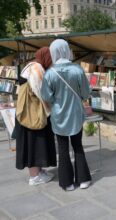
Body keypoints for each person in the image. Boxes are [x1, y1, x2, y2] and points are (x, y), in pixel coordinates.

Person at [41, 39, 91, 191]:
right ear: (66, 50)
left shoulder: (50, 73)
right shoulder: (78, 70)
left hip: (59, 115)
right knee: (78, 146)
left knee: (62, 149)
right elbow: (85, 93)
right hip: (76, 113)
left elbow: (46, 96)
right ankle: (83, 180)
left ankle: (67, 182)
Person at [16, 47, 56, 186]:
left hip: (28, 112)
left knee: (34, 143)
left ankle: (38, 171)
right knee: (33, 144)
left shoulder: (30, 66)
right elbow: (41, 92)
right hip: (33, 114)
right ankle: (34, 176)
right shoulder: (37, 69)